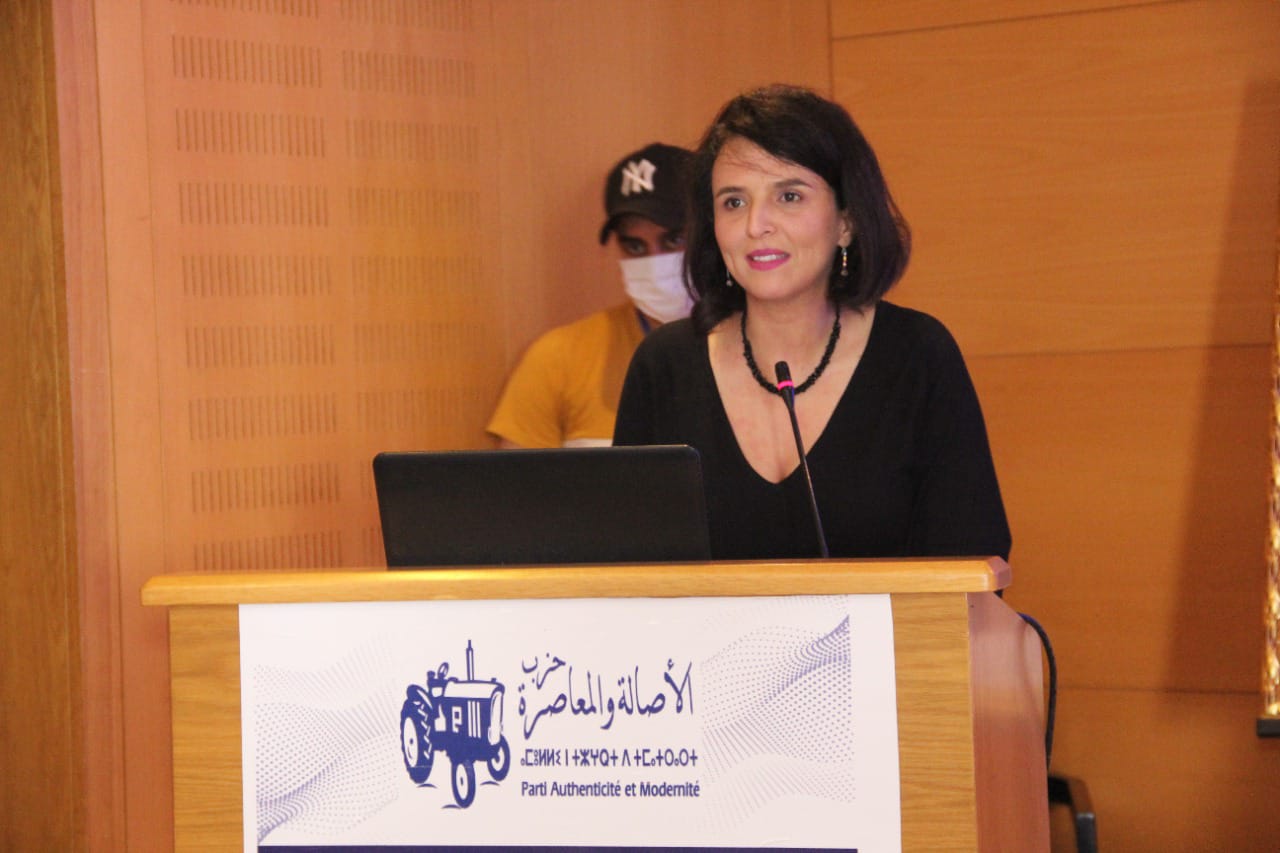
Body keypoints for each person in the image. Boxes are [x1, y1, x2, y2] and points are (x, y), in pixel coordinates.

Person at [613, 85, 1011, 562]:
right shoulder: (665, 367)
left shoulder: (917, 355)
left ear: (846, 221)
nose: (756, 225)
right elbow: (624, 570)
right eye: (734, 202)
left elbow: (973, 571)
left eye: (789, 196)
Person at [486, 142, 695, 448]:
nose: (655, 261)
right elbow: (512, 477)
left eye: (674, 239)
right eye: (634, 246)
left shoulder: (755, 346)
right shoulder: (559, 358)